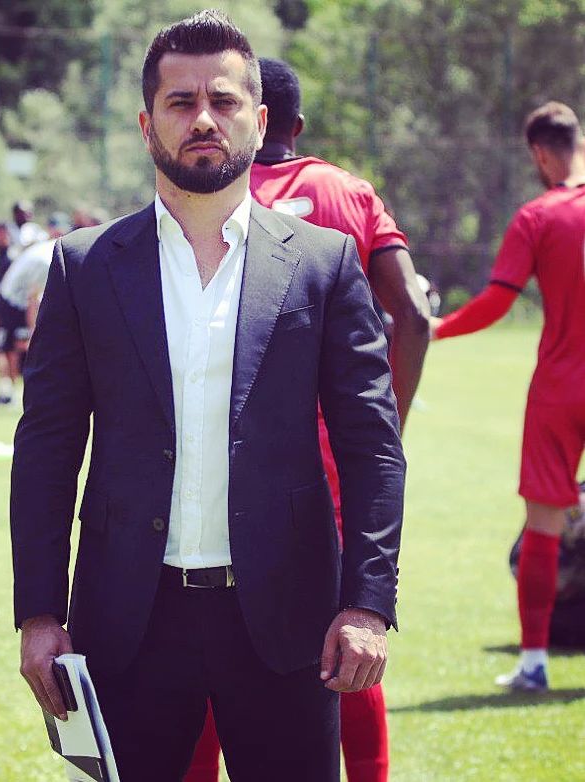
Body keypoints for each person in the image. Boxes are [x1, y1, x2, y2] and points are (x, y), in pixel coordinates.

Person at [11, 11, 405, 782]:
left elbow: (373, 449)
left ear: (258, 119)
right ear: (146, 124)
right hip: (127, 622)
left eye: (223, 101)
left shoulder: (323, 264)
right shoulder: (83, 267)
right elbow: (47, 452)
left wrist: (367, 603)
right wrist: (39, 613)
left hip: (288, 621)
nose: (203, 120)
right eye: (180, 101)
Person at [186, 57, 430, 782]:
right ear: (295, 124)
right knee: (347, 630)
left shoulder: (212, 198)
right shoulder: (348, 192)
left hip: (237, 458)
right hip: (335, 460)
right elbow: (413, 317)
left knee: (206, 637)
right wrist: (385, 430)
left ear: (250, 119)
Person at [430, 101, 585, 692]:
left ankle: (535, 663)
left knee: (544, 525)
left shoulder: (537, 216)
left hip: (559, 388)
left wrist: (438, 330)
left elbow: (498, 301)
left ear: (540, 154)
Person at [0, 221, 25, 405]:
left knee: (6, 351)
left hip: (8, 316)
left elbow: (7, 291)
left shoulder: (10, 258)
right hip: (2, 314)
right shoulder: (1, 256)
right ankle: (6, 389)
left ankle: (10, 391)